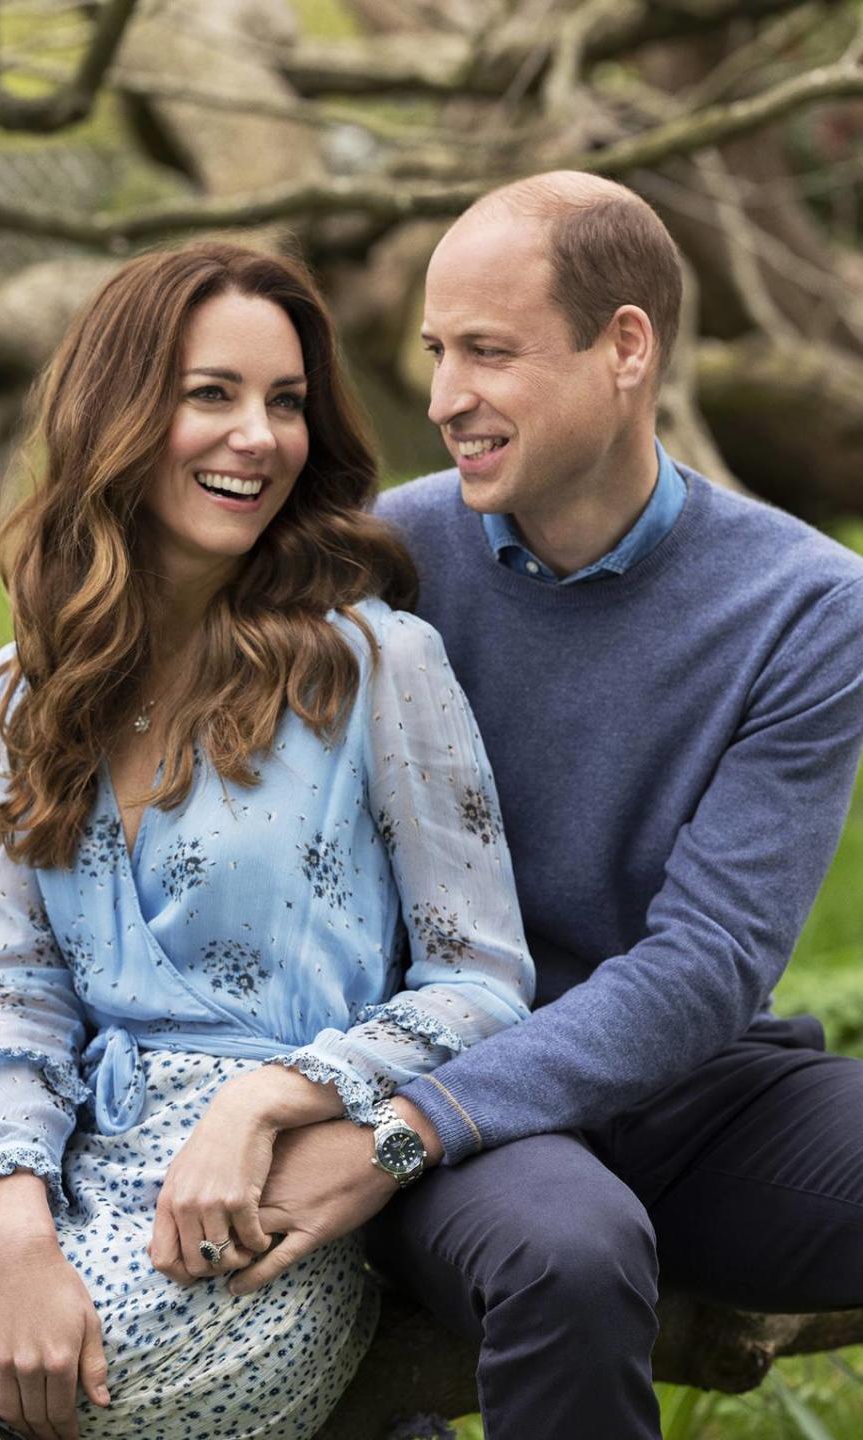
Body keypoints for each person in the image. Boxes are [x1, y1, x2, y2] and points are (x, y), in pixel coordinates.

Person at [216, 172, 863, 1440]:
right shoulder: (379, 565)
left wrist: (406, 1134)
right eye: (437, 352)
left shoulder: (805, 606)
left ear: (626, 347)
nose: (449, 396)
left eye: (491, 353)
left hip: (684, 1088)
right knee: (568, 1257)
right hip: (440, 1068)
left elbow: (712, 961)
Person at [0, 240, 535, 1439]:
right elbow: (17, 991)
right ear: (117, 414)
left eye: (286, 402)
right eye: (213, 393)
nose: (259, 436)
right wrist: (15, 1228)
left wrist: (266, 1098)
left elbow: (482, 982)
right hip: (62, 1163)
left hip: (250, 1239)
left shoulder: (375, 666)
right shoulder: (22, 696)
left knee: (118, 1361)